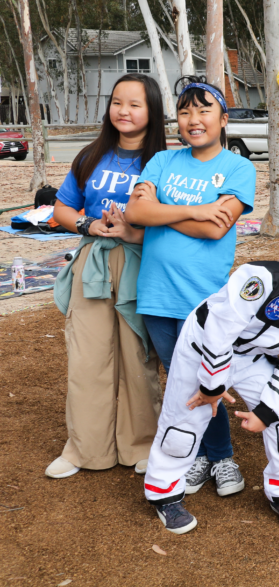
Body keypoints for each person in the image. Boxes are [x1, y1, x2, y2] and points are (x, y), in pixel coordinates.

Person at [143, 217, 279, 534]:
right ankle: (163, 494)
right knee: (185, 420)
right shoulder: (262, 278)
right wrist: (212, 387)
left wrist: (264, 413)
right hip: (202, 346)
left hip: (249, 357)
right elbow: (218, 332)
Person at [125, 76, 257, 499]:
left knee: (206, 380)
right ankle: (199, 454)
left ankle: (222, 456)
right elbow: (134, 212)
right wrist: (197, 210)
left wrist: (159, 210)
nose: (193, 119)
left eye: (203, 110)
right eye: (185, 111)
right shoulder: (162, 162)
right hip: (156, 295)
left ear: (223, 118)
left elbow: (218, 229)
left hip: (204, 298)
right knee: (179, 381)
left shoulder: (239, 168)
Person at [45, 74, 167, 480]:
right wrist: (88, 226)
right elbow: (62, 210)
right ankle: (85, 449)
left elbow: (172, 221)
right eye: (117, 102)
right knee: (88, 356)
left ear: (151, 110)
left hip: (141, 263)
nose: (124, 111)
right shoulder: (91, 155)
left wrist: (136, 230)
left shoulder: (165, 161)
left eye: (135, 104)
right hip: (94, 263)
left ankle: (142, 445)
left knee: (137, 356)